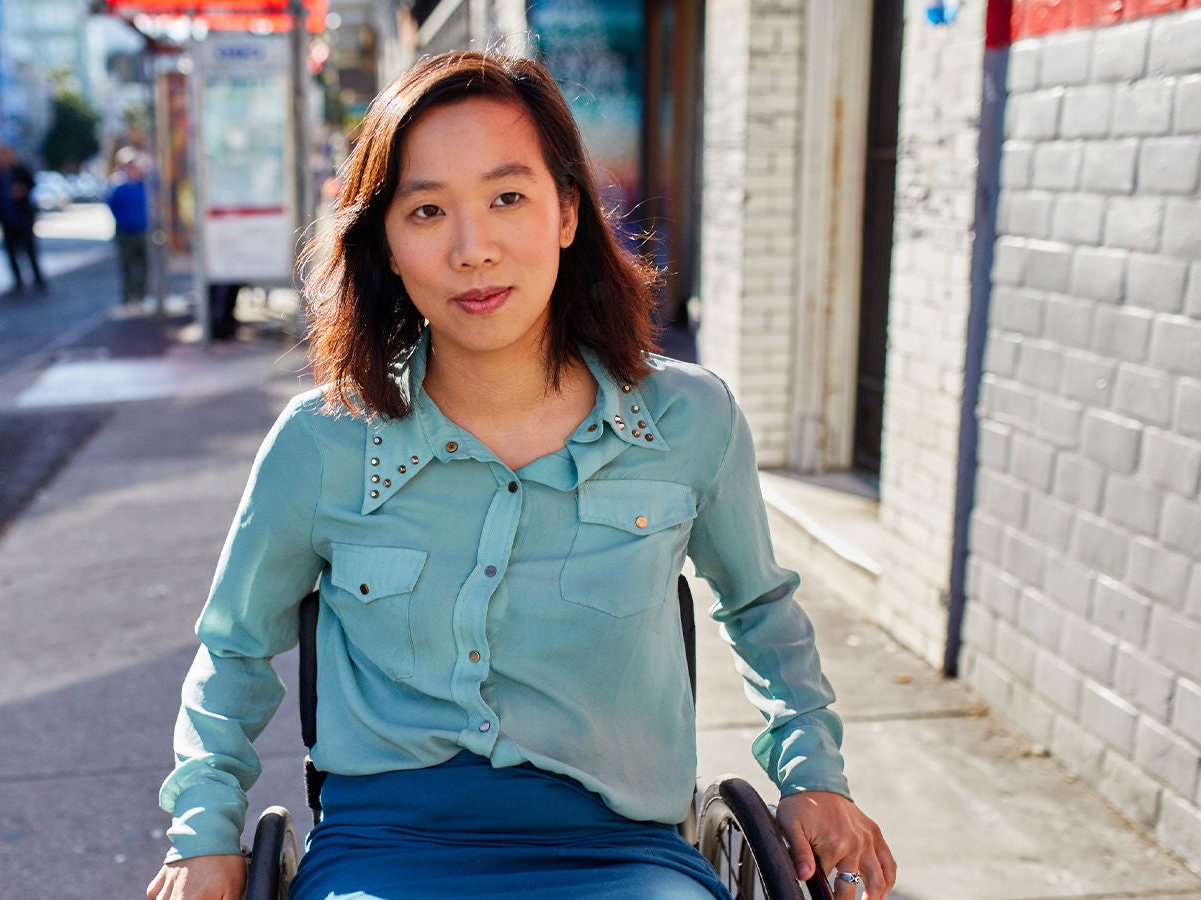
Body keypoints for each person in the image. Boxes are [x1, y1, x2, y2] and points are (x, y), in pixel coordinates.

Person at [148, 51, 895, 900]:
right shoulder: (323, 443)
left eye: (507, 198)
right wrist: (204, 833)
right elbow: (235, 648)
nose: (474, 250)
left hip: (625, 853)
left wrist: (813, 773)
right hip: (384, 851)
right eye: (427, 211)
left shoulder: (691, 421)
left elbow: (760, 607)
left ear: (567, 211)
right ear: (387, 243)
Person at [0, 144, 46, 293]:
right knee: (11, 251)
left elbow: (32, 183)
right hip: (6, 218)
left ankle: (37, 278)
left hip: (22, 217)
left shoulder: (20, 170)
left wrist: (22, 189)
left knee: (29, 249)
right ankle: (18, 281)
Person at [107, 148, 151, 307]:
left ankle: (141, 294)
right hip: (125, 231)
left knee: (143, 264)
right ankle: (128, 295)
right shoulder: (118, 186)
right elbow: (112, 206)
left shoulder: (143, 184)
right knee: (127, 264)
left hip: (141, 229)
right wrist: (123, 221)